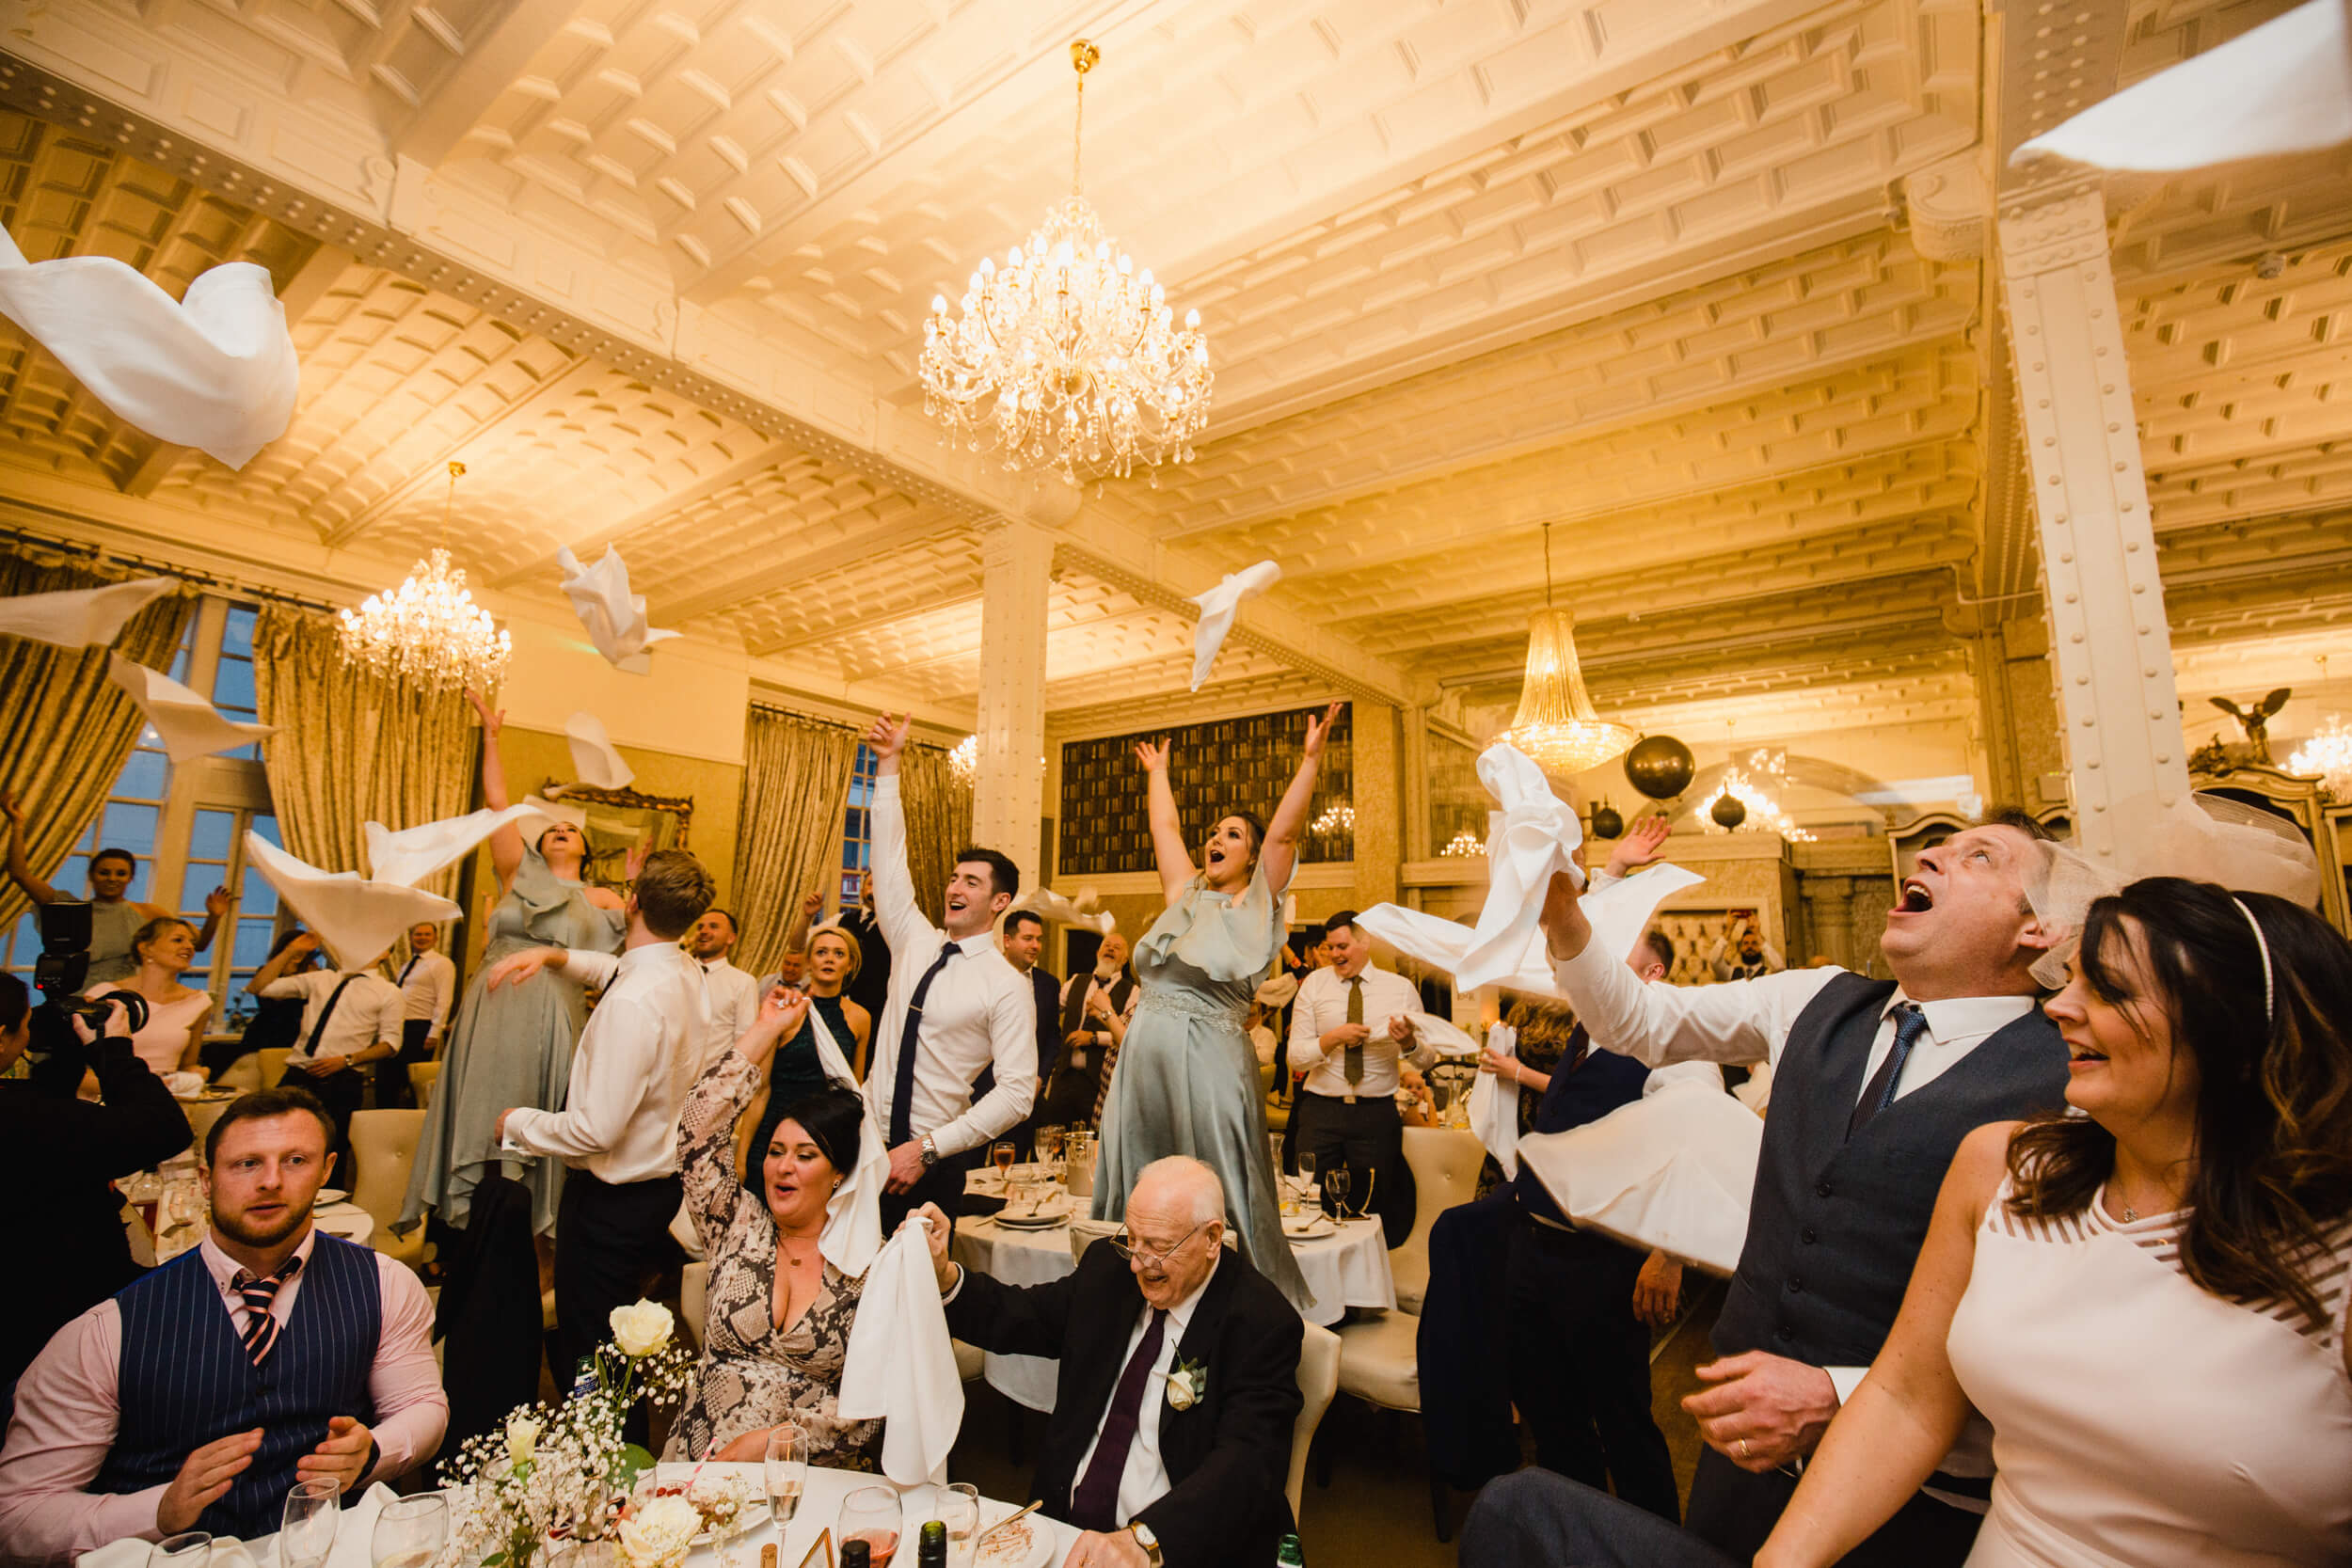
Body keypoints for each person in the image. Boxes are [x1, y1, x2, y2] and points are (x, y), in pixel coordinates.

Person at [1470, 810, 2074, 1568]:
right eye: (1938, 844)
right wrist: (1562, 911)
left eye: (1979, 856)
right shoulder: (1816, 997)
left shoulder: (2073, 1078)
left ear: (2039, 929)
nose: (1933, 853)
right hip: (1741, 1452)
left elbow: (2064, 1346)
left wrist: (1840, 1394)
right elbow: (1639, 1018)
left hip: (1925, 1499)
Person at [1754, 879, 2352, 1568]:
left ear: (2238, 1033)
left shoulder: (2330, 1253)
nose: (2060, 1009)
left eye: (2109, 989)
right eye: (2069, 981)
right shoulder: (2002, 1170)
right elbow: (1906, 1397)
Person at [0, 1087, 446, 1559]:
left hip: (330, 1551)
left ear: (327, 1170)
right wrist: (156, 1511)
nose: (272, 1181)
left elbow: (421, 1404)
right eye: (246, 1164)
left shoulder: (385, 1284)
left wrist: (373, 1451)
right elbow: (19, 1514)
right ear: (206, 1179)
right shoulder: (108, 1329)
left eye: (295, 1161)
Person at [920, 1157, 1304, 1568]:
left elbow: (1246, 1466)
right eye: (1132, 1238)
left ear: (1212, 1239)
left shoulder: (1261, 1322)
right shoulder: (1111, 1268)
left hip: (1180, 1546)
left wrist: (1144, 1541)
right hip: (1065, 1533)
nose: (1138, 1262)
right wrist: (945, 1278)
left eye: (1156, 1246)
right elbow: (1027, 1315)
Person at [1092, 705, 1341, 1312]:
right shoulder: (1185, 895)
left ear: (1253, 856)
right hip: (1144, 1058)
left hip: (1211, 1057)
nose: (1216, 839)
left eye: (1233, 833)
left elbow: (1283, 832)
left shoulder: (1260, 901)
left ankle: (1240, 1309)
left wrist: (1310, 760)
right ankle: (1126, 1301)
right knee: (1143, 1179)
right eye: (1215, 831)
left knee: (1222, 1175)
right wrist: (1157, 772)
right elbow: (1165, 830)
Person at [1476, 927, 1687, 1520]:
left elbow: (1690, 1150)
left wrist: (1669, 1253)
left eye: (1618, 959)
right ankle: (1583, 1537)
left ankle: (1659, 1551)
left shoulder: (1670, 1043)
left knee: (1624, 1422)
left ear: (1652, 977)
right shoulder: (1585, 1031)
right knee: (1553, 1415)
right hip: (1536, 1247)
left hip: (1603, 1261)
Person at [401, 689, 627, 1237]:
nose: (559, 831)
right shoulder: (516, 873)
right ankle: (465, 1232)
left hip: (552, 1016)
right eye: (551, 827)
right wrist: (492, 737)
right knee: (481, 1106)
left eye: (570, 829)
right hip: (491, 1008)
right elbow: (498, 804)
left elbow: (635, 960)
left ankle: (532, 1237)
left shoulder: (604, 900)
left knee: (532, 1108)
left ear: (585, 849)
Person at [488, 848, 717, 1385]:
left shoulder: (634, 1002)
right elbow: (617, 967)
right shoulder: (683, 970)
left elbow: (595, 1130)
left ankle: (609, 1465)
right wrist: (553, 958)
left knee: (593, 1356)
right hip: (653, 1192)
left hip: (609, 1206)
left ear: (632, 904)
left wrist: (516, 1123)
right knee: (618, 1350)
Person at [664, 986, 880, 1468]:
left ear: (839, 1173)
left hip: (809, 1475)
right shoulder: (735, 1221)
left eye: (806, 1156)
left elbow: (874, 1409)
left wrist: (771, 1442)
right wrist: (765, 1029)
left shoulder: (871, 1262)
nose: (783, 1167)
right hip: (703, 1465)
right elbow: (696, 1133)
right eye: (777, 1151)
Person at [855, 714, 1035, 1236]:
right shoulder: (915, 941)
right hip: (865, 1149)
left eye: (972, 882)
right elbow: (888, 861)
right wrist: (887, 766)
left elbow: (1018, 1093)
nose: (956, 886)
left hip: (930, 1165)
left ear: (999, 902)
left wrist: (928, 1148)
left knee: (917, 1303)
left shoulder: (1006, 984)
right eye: (955, 877)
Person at [0, 974, 192, 1422]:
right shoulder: (29, 1121)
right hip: (46, 1345)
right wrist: (112, 1051)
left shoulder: (30, 1114)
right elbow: (165, 1128)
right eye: (24, 1026)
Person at [1283, 908, 1435, 1246]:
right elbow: (1296, 1055)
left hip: (1375, 1113)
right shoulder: (1313, 987)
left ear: (1364, 942)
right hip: (1321, 1110)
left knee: (1372, 1205)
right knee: (1312, 1201)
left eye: (1342, 946)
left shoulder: (1400, 989)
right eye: (1330, 947)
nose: (1335, 954)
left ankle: (1365, 1286)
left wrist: (1408, 1042)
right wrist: (1334, 1038)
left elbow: (1427, 1058)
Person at [1, 791, 225, 990]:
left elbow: (199, 945)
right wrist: (17, 823)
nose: (112, 879)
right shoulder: (70, 908)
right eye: (104, 872)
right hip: (73, 998)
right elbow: (19, 874)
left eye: (120, 874)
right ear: (92, 876)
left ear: (130, 878)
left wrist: (214, 916)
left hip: (122, 998)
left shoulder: (148, 914)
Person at [244, 930, 403, 1159]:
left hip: (342, 1080)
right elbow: (258, 988)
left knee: (329, 1152)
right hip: (298, 1075)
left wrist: (346, 1060)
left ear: (385, 953)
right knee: (273, 1142)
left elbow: (391, 1044)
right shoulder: (321, 978)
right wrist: (291, 951)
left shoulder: (389, 993)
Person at [742, 925, 872, 1196]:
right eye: (821, 952)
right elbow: (760, 1091)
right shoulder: (786, 1010)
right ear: (809, 962)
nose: (829, 959)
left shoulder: (860, 1018)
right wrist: (741, 1156)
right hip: (775, 1134)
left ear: (849, 965)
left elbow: (853, 1093)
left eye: (838, 954)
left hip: (824, 1140)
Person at [72, 916, 214, 1079]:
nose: (189, 947)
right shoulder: (104, 994)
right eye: (178, 940)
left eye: (192, 943)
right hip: (106, 1093)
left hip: (165, 1096)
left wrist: (198, 1074)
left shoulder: (199, 1002)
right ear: (146, 948)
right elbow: (76, 1066)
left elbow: (187, 1066)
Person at [203, 926, 317, 1081]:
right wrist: (289, 960)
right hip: (264, 1034)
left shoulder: (314, 974)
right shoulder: (266, 972)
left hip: (294, 1036)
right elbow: (263, 993)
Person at [788, 879, 891, 1032]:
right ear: (862, 891)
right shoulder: (840, 920)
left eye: (880, 885)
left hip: (877, 1014)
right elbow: (796, 946)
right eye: (870, 884)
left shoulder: (894, 929)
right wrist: (806, 916)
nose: (874, 890)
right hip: (831, 1005)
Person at [1059, 931, 1137, 1127]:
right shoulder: (1074, 981)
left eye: (1117, 947)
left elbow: (1130, 1037)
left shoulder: (1134, 992)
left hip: (1098, 1084)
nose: (1110, 949)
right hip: (1064, 1079)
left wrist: (1093, 1037)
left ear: (1125, 959)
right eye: (1107, 945)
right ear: (1097, 953)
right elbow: (1047, 1013)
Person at [1000, 909, 1061, 1156]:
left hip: (1028, 1095)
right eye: (1028, 938)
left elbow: (1052, 1038)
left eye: (1039, 939)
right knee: (971, 1169)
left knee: (1020, 1167)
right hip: (984, 1093)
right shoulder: (985, 977)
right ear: (1007, 940)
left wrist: (1040, 1078)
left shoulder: (1049, 984)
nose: (1036, 945)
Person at [380, 921, 455, 1108]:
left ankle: (408, 1124)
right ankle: (383, 1119)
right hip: (398, 1026)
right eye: (418, 934)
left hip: (419, 1028)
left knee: (411, 1082)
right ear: (411, 938)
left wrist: (434, 1032)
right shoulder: (407, 964)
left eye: (427, 934)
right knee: (387, 1079)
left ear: (436, 938)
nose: (422, 938)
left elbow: (444, 999)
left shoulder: (442, 963)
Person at [688, 909, 762, 1070]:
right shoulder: (679, 976)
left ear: (730, 938)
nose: (704, 932)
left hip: (713, 1083)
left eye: (713, 926)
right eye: (700, 927)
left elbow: (744, 1043)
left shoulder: (743, 983)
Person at [1709, 911, 1784, 983]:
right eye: (1745, 943)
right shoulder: (1730, 973)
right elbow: (1714, 961)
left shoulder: (1769, 973)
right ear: (1740, 948)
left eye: (1754, 943)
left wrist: (1758, 934)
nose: (1750, 946)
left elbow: (1780, 967)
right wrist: (1729, 929)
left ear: (1761, 948)